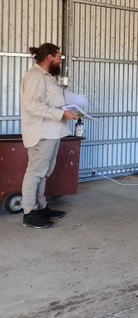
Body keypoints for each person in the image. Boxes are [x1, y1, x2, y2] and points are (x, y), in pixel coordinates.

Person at [20, 43, 79, 229]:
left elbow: (52, 101)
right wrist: (61, 114)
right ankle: (29, 212)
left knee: (44, 172)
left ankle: (41, 206)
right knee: (35, 172)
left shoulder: (47, 77)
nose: (60, 59)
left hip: (51, 132)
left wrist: (70, 106)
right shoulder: (35, 76)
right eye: (58, 56)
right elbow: (33, 106)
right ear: (49, 57)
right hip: (41, 133)